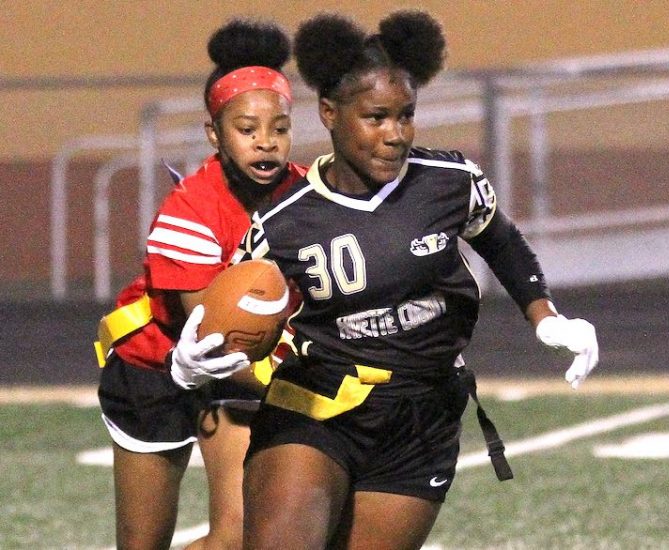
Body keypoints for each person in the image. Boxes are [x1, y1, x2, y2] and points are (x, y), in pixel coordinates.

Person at [174, 10, 600, 550]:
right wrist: (193, 361)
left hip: (423, 412)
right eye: (376, 117)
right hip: (316, 406)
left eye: (406, 116)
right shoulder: (283, 220)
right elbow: (238, 308)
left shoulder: (451, 183)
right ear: (330, 112)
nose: (394, 135)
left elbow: (502, 242)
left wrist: (547, 318)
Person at [94, 18, 306, 550]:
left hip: (238, 370)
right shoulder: (191, 207)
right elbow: (212, 332)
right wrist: (316, 395)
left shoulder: (307, 196)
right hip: (158, 368)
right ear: (215, 133)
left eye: (278, 128)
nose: (266, 142)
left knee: (240, 537)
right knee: (142, 542)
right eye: (247, 128)